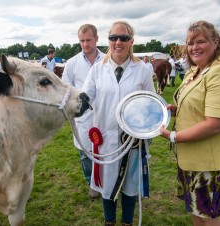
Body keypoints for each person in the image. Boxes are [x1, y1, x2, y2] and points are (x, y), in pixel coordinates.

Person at [160, 20, 220, 226]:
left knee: (210, 217)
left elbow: (216, 123)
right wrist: (175, 109)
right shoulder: (195, 71)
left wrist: (173, 136)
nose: (194, 47)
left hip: (210, 161)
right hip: (191, 158)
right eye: (190, 43)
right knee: (197, 213)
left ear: (215, 43)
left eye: (200, 41)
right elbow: (197, 105)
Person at [82, 21, 155, 226]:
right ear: (108, 41)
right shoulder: (97, 70)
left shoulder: (142, 70)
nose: (118, 42)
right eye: (113, 38)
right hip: (104, 139)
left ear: (132, 41)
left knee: (130, 185)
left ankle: (127, 222)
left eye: (123, 38)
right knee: (107, 184)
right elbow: (85, 98)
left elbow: (152, 102)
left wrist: (150, 128)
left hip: (132, 140)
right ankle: (109, 221)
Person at [62, 24, 105, 199]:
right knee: (86, 152)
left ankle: (108, 181)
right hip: (83, 117)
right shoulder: (72, 64)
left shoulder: (108, 59)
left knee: (107, 148)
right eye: (82, 41)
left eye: (88, 40)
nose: (85, 44)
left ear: (96, 39)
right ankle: (92, 184)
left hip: (105, 112)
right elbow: (65, 89)